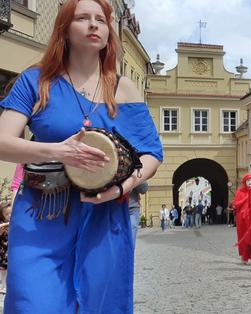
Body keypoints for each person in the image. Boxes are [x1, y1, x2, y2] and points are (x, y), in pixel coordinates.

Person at [0, 1, 163, 311]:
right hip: (41, 213)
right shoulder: (37, 81)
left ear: (109, 33)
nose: (93, 25)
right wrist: (58, 151)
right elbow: (2, 141)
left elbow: (152, 153)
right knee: (34, 303)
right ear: (64, 28)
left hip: (104, 218)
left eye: (100, 20)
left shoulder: (123, 88)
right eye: (82, 18)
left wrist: (121, 188)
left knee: (97, 305)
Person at [232, 174, 251, 264]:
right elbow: (236, 204)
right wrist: (246, 198)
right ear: (245, 182)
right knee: (243, 237)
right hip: (242, 218)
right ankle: (244, 256)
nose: (250, 182)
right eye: (248, 181)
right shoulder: (240, 192)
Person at [0, 202, 11, 295]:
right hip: (4, 250)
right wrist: (5, 226)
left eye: (11, 213)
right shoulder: (2, 223)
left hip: (12, 250)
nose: (9, 216)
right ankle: (3, 286)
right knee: (3, 269)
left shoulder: (15, 222)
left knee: (11, 268)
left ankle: (10, 285)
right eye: (6, 214)